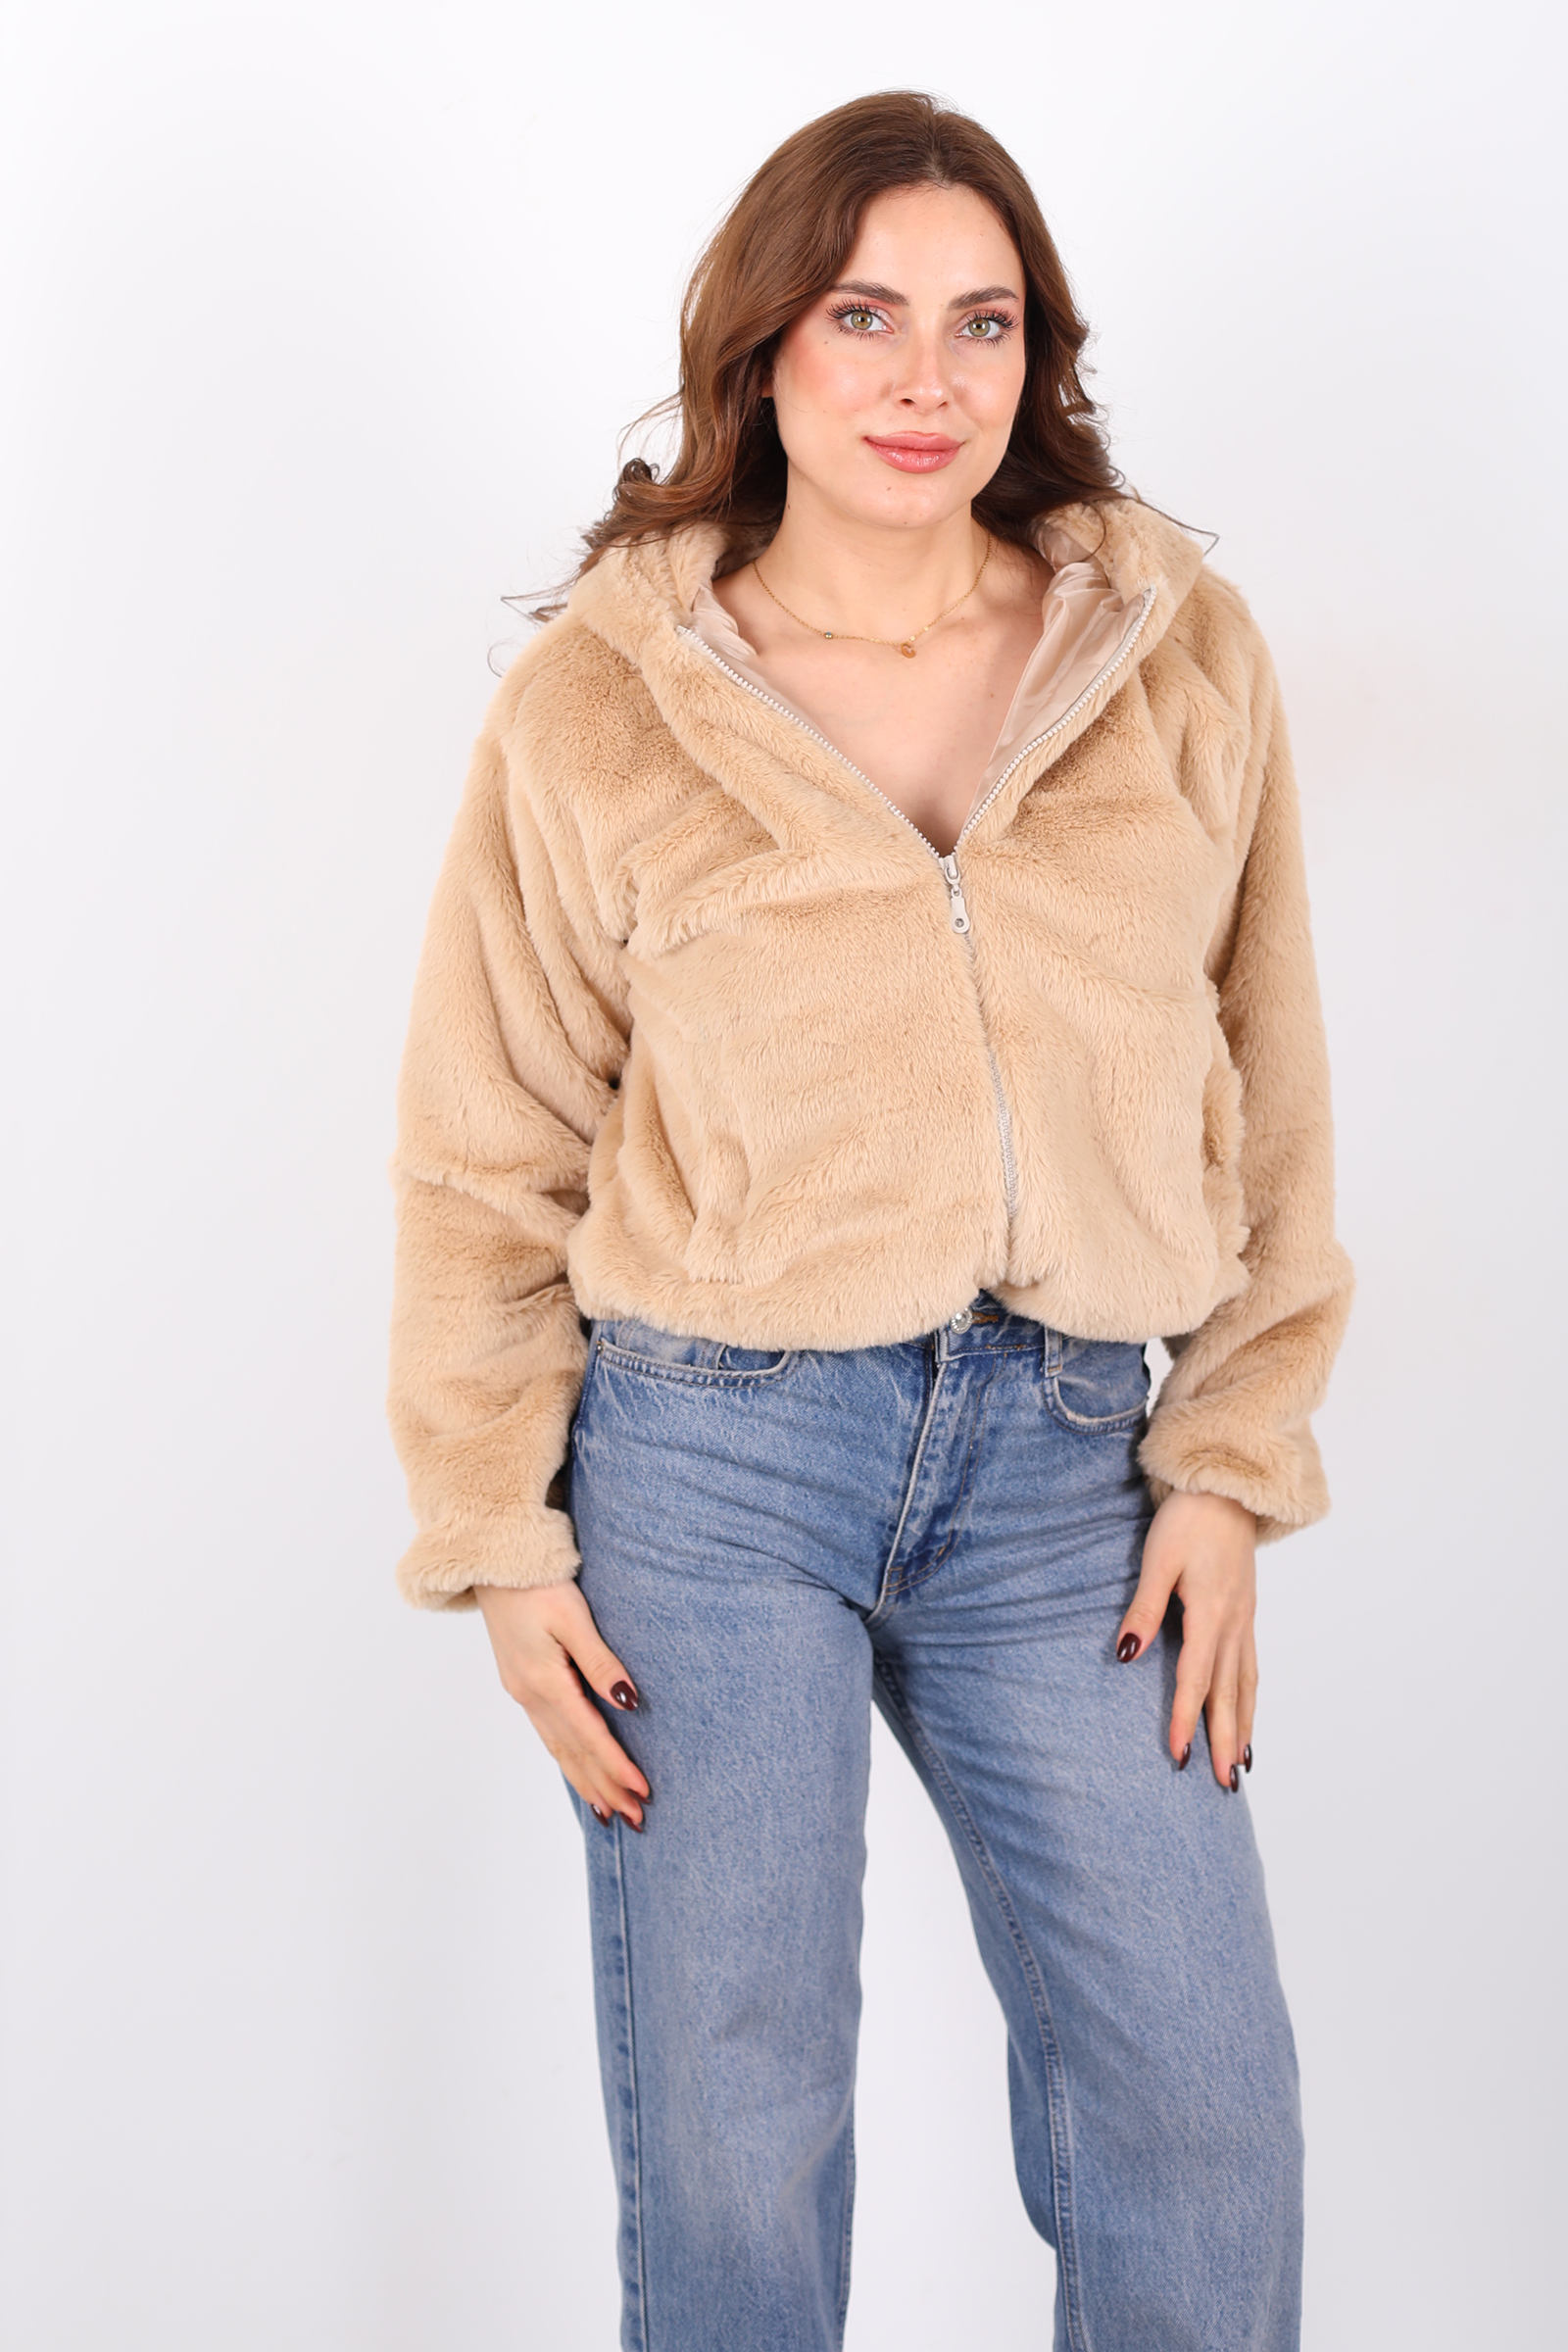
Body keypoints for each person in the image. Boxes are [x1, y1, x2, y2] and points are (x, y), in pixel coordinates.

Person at [386, 87, 1354, 2352]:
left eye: (980, 322)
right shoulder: (601, 704)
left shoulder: (1172, 651)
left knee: (1199, 2102)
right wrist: (496, 1537)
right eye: (863, 316)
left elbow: (1273, 1076)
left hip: (1069, 1469)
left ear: (1036, 355)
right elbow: (483, 1147)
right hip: (710, 1462)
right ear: (762, 347)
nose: (927, 378)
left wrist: (1227, 1459)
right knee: (736, 2126)